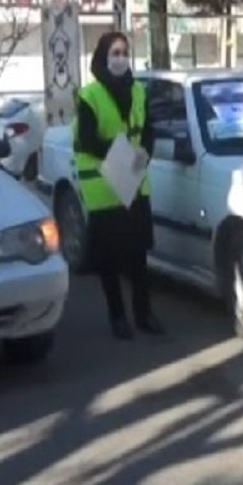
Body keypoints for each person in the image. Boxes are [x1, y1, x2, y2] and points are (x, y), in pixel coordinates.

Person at [74, 33, 165, 339]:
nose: (120, 58)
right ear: (103, 56)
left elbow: (148, 130)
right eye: (114, 52)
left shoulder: (138, 89)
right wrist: (122, 160)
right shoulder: (89, 95)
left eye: (125, 52)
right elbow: (86, 141)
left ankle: (144, 314)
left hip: (135, 184)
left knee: (139, 255)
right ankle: (118, 317)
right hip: (104, 188)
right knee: (109, 259)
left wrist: (143, 157)